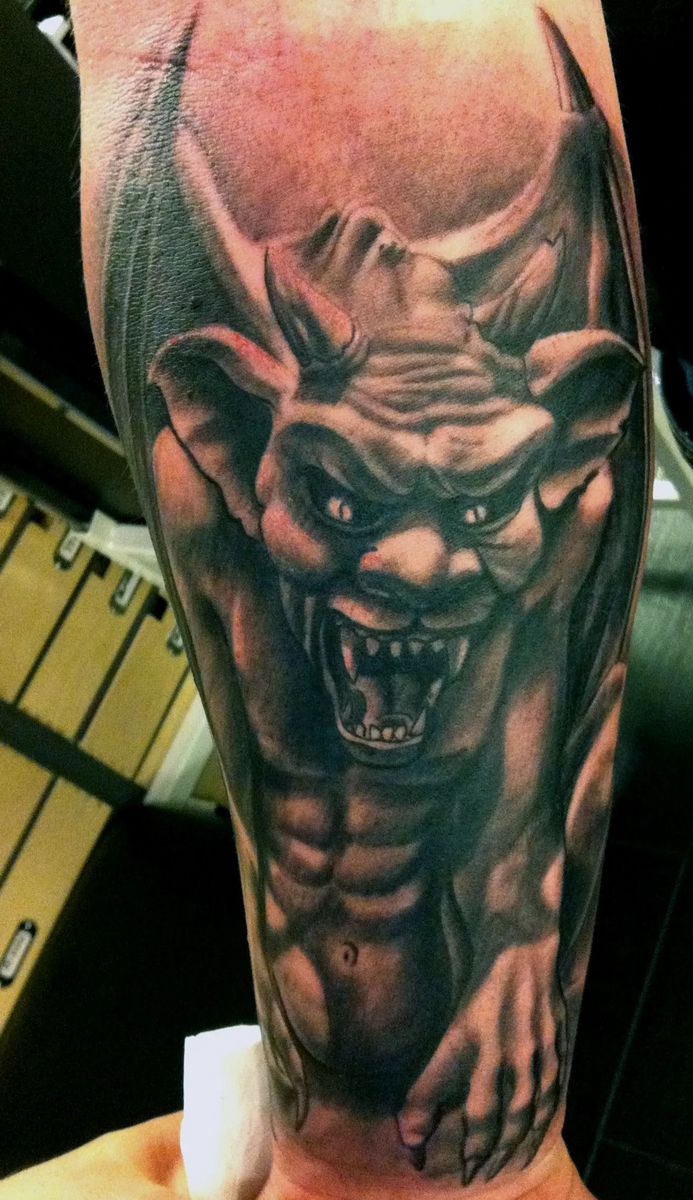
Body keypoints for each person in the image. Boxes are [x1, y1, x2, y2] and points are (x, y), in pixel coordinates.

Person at [3, 2, 650, 1196]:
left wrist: (520, 942)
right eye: (349, 499)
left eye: (473, 505)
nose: (419, 569)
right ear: (240, 437)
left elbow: (551, 702)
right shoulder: (221, 490)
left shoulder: (550, 527)